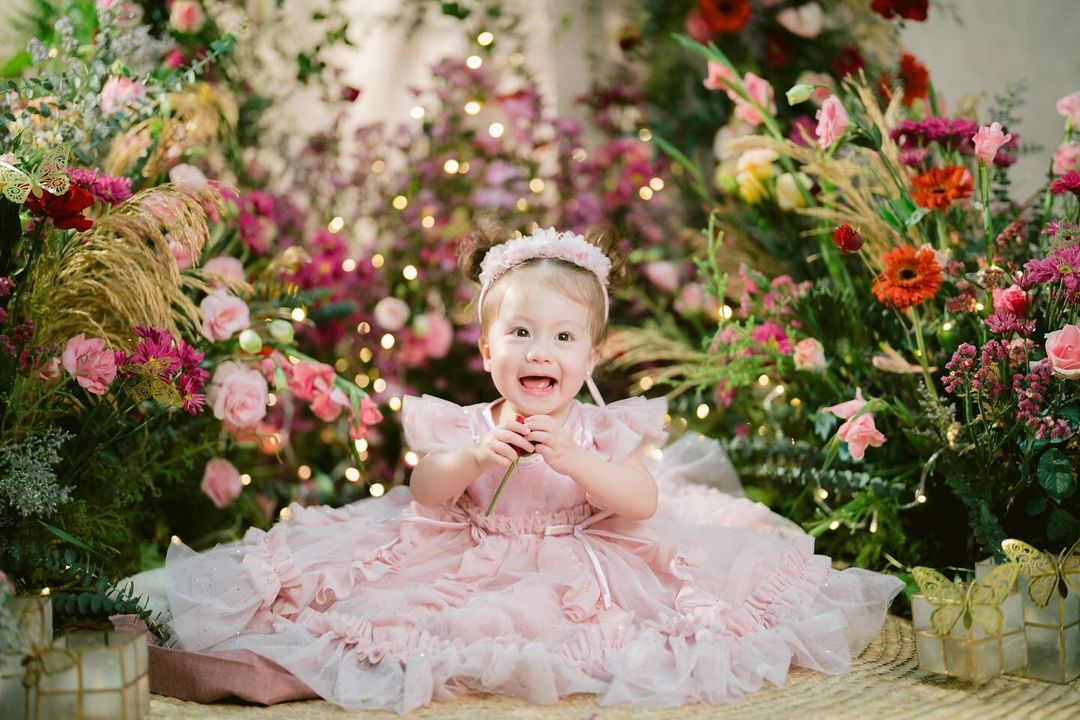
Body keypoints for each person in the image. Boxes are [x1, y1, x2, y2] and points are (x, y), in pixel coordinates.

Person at [165, 226, 902, 713]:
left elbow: (639, 501)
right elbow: (424, 491)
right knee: (373, 612)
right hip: (471, 550)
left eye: (561, 336)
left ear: (589, 358)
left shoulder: (599, 425)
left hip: (582, 555)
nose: (539, 351)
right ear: (487, 352)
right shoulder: (469, 423)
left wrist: (578, 459)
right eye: (519, 333)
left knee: (646, 621)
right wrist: (473, 457)